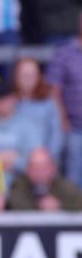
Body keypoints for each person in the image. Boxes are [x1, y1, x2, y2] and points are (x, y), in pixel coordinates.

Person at [0, 81, 40, 190]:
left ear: (14, 99)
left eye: (7, 99)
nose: (4, 104)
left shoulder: (27, 124)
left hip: (22, 181)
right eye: (0, 100)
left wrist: (16, 163)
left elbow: (36, 158)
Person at [45, 11, 82, 188]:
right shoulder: (64, 53)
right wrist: (62, 120)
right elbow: (54, 91)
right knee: (74, 178)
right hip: (74, 127)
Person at [13, 57, 63, 162]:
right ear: (16, 77)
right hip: (15, 162)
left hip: (43, 163)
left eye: (32, 75)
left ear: (39, 77)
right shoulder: (8, 103)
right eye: (24, 75)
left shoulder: (48, 103)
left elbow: (56, 136)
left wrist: (46, 159)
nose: (28, 79)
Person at [8, 147, 82, 211]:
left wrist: (59, 205)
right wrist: (40, 206)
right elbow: (14, 204)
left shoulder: (64, 185)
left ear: (53, 169)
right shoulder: (19, 184)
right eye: (35, 168)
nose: (40, 172)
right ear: (27, 170)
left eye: (44, 167)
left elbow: (79, 202)